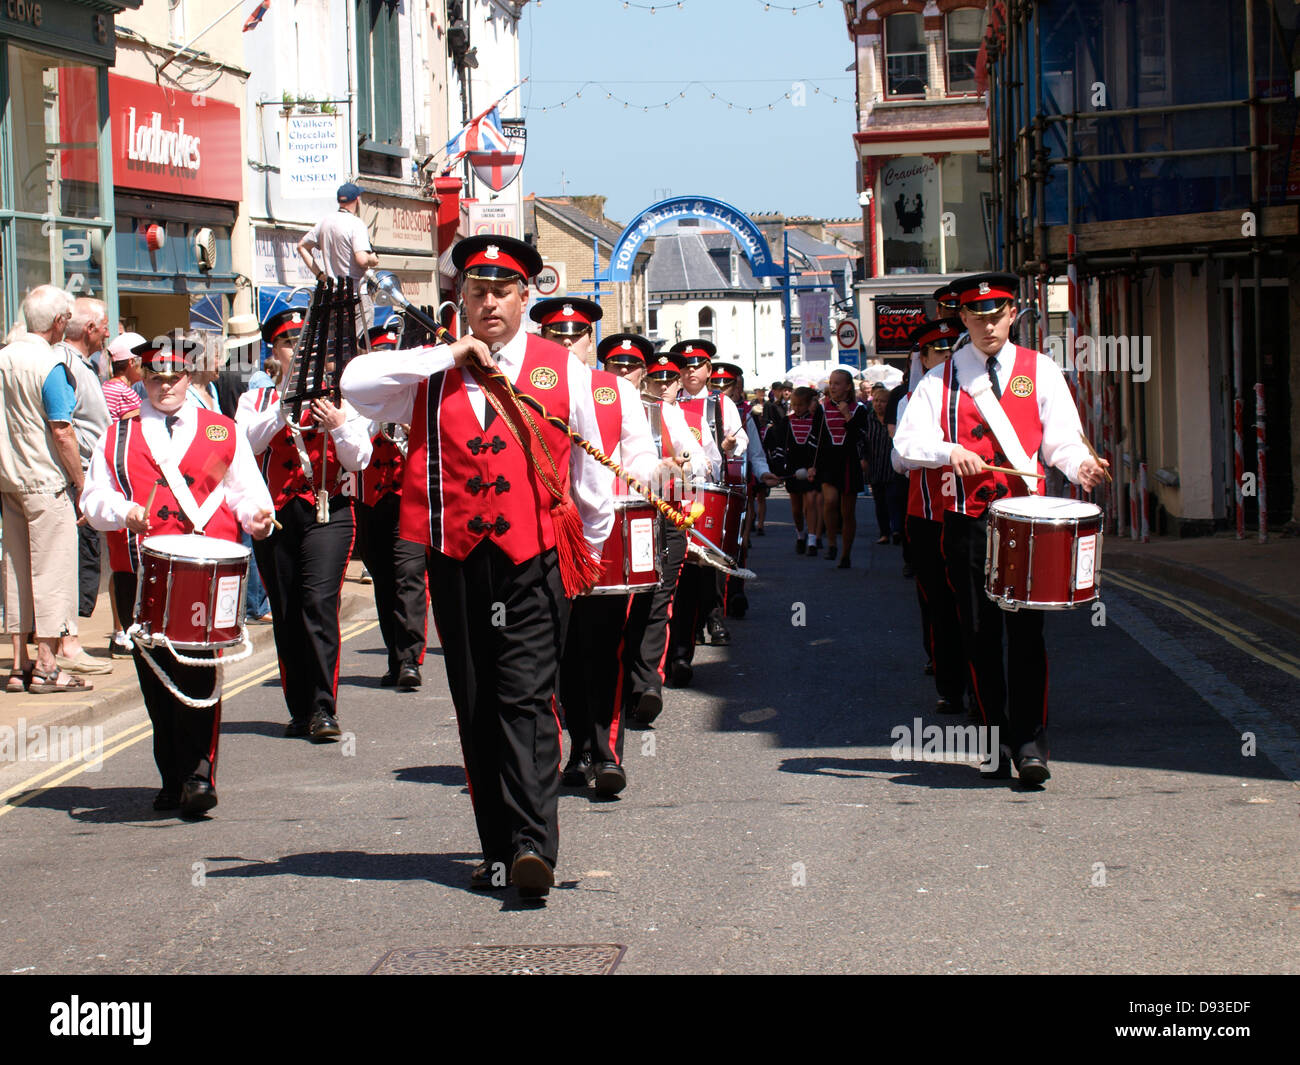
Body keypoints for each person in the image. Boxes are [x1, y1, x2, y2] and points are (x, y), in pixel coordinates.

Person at [341, 234, 613, 899]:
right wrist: (449, 352)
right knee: (475, 701)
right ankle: (498, 848)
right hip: (456, 559)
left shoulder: (562, 368)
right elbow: (353, 383)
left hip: (537, 558)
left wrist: (594, 552)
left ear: (526, 296)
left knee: (523, 695)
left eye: (501, 291)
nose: (488, 302)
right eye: (476, 291)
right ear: (459, 298)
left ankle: (533, 845)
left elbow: (594, 469)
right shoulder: (429, 370)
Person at [894, 272, 1109, 786]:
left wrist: (1080, 466)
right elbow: (904, 448)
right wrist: (949, 452)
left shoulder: (1040, 370)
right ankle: (993, 738)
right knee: (978, 634)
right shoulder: (938, 379)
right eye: (977, 317)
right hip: (967, 523)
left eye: (997, 316)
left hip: (1026, 522)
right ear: (962, 318)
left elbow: (1060, 439)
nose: (988, 326)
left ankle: (1031, 743)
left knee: (1027, 634)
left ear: (1013, 314)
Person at [81, 337, 275, 816]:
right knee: (154, 678)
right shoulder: (116, 436)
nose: (166, 386)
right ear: (142, 379)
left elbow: (244, 491)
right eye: (155, 378)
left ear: (190, 377)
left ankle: (198, 774)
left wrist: (257, 516)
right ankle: (171, 775)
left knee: (199, 671)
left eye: (174, 377)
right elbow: (91, 501)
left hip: (204, 571)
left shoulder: (221, 431)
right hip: (139, 571)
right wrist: (124, 511)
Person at [235, 307, 372, 742]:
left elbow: (359, 459)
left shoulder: (345, 399)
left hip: (328, 513)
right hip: (275, 516)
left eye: (309, 345)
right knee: (288, 611)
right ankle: (299, 706)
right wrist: (283, 407)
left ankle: (323, 708)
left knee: (317, 602)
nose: (301, 352)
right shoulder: (255, 400)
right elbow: (247, 444)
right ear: (274, 352)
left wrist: (340, 426)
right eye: (291, 344)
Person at [559, 331, 665, 796]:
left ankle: (605, 752)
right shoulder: (526, 382)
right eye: (555, 335)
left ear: (588, 340)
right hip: (546, 535)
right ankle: (577, 746)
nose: (566, 343)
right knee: (559, 653)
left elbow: (639, 445)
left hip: (602, 536)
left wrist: (644, 470)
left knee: (602, 648)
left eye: (574, 336)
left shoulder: (614, 388)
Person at [0, 287, 94, 694]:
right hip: (46, 483)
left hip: (9, 481)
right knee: (54, 573)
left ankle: (19, 667)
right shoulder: (50, 363)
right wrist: (81, 481)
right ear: (58, 323)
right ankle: (48, 667)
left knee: (17, 572)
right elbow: (62, 429)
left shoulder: (3, 359)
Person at [622, 348, 718, 721]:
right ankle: (622, 681)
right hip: (623, 515)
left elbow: (703, 463)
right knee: (625, 604)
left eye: (668, 379)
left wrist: (683, 466)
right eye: (656, 379)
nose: (661, 386)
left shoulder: (672, 414)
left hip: (667, 513)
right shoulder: (606, 405)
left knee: (658, 598)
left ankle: (647, 683)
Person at [891, 318, 966, 713]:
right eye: (939, 350)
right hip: (927, 512)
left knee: (973, 603)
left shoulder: (976, 390)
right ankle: (949, 681)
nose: (947, 356)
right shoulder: (912, 398)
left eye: (953, 347)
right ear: (923, 357)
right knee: (937, 601)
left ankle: (978, 682)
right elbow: (900, 458)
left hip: (971, 510)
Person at [355, 323, 428, 690]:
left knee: (409, 577)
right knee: (384, 580)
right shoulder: (360, 399)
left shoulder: (412, 395)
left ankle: (411, 659)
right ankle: (394, 657)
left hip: (408, 497)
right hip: (371, 500)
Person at [668, 339, 745, 661]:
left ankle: (713, 617)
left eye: (697, 366)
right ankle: (688, 624)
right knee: (683, 559)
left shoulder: (719, 403)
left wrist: (730, 446)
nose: (690, 373)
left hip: (711, 489)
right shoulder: (669, 400)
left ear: (708, 370)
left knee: (709, 559)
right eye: (684, 368)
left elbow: (740, 442)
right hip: (677, 489)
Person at [53, 298, 112, 651]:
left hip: (89, 473)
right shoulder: (66, 365)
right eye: (104, 325)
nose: (107, 332)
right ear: (90, 329)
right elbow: (64, 429)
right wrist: (80, 483)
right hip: (79, 476)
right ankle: (66, 644)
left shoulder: (85, 365)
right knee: (75, 565)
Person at [297, 181, 380, 328]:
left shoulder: (324, 222)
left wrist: (319, 275)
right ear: (357, 200)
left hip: (333, 296)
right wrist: (372, 259)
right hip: (356, 294)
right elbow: (361, 259)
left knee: (339, 345)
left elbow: (301, 247)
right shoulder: (356, 224)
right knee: (362, 345)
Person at [817, 368, 870, 568]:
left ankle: (846, 553)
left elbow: (861, 437)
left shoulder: (860, 409)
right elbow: (817, 437)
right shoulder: (822, 408)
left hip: (849, 461)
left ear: (848, 387)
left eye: (837, 383)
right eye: (831, 383)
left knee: (847, 511)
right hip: (829, 460)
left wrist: (847, 415)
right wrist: (813, 466)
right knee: (830, 502)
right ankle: (831, 544)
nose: (833, 387)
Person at [767, 386, 824, 555]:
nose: (797, 408)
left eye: (801, 405)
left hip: (810, 468)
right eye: (794, 405)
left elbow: (819, 446)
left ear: (808, 404)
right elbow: (778, 445)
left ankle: (812, 541)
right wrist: (778, 469)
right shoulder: (786, 421)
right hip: (792, 468)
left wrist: (815, 466)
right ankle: (800, 535)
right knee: (796, 509)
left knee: (811, 503)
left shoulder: (816, 421)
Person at [529, 297, 601, 360]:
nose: (566, 341)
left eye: (576, 335)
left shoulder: (604, 376)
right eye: (557, 336)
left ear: (590, 344)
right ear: (543, 343)